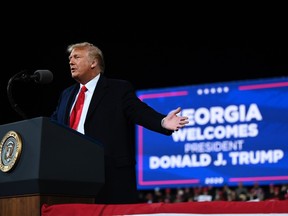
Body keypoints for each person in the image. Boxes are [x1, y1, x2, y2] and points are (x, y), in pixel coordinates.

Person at [50, 42, 189, 204]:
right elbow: (53, 126)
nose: (71, 61)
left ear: (93, 62)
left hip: (109, 176)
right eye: (70, 58)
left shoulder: (117, 89)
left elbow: (139, 111)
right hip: (71, 174)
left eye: (76, 57)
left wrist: (162, 121)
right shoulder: (66, 95)